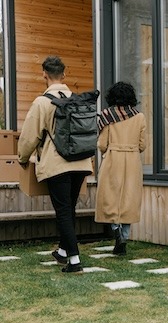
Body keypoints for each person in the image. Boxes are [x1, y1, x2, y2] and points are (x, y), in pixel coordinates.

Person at [17, 55, 93, 274]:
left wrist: (23, 158)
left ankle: (75, 260)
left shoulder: (42, 102)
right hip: (81, 163)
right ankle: (62, 251)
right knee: (69, 208)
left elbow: (29, 136)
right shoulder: (78, 99)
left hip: (57, 164)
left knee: (63, 211)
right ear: (64, 74)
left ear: (44, 74)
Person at [94, 82, 146, 255]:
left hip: (113, 158)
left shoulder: (107, 115)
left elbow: (101, 144)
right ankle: (124, 236)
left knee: (111, 197)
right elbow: (142, 145)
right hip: (132, 160)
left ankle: (116, 230)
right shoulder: (139, 117)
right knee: (129, 199)